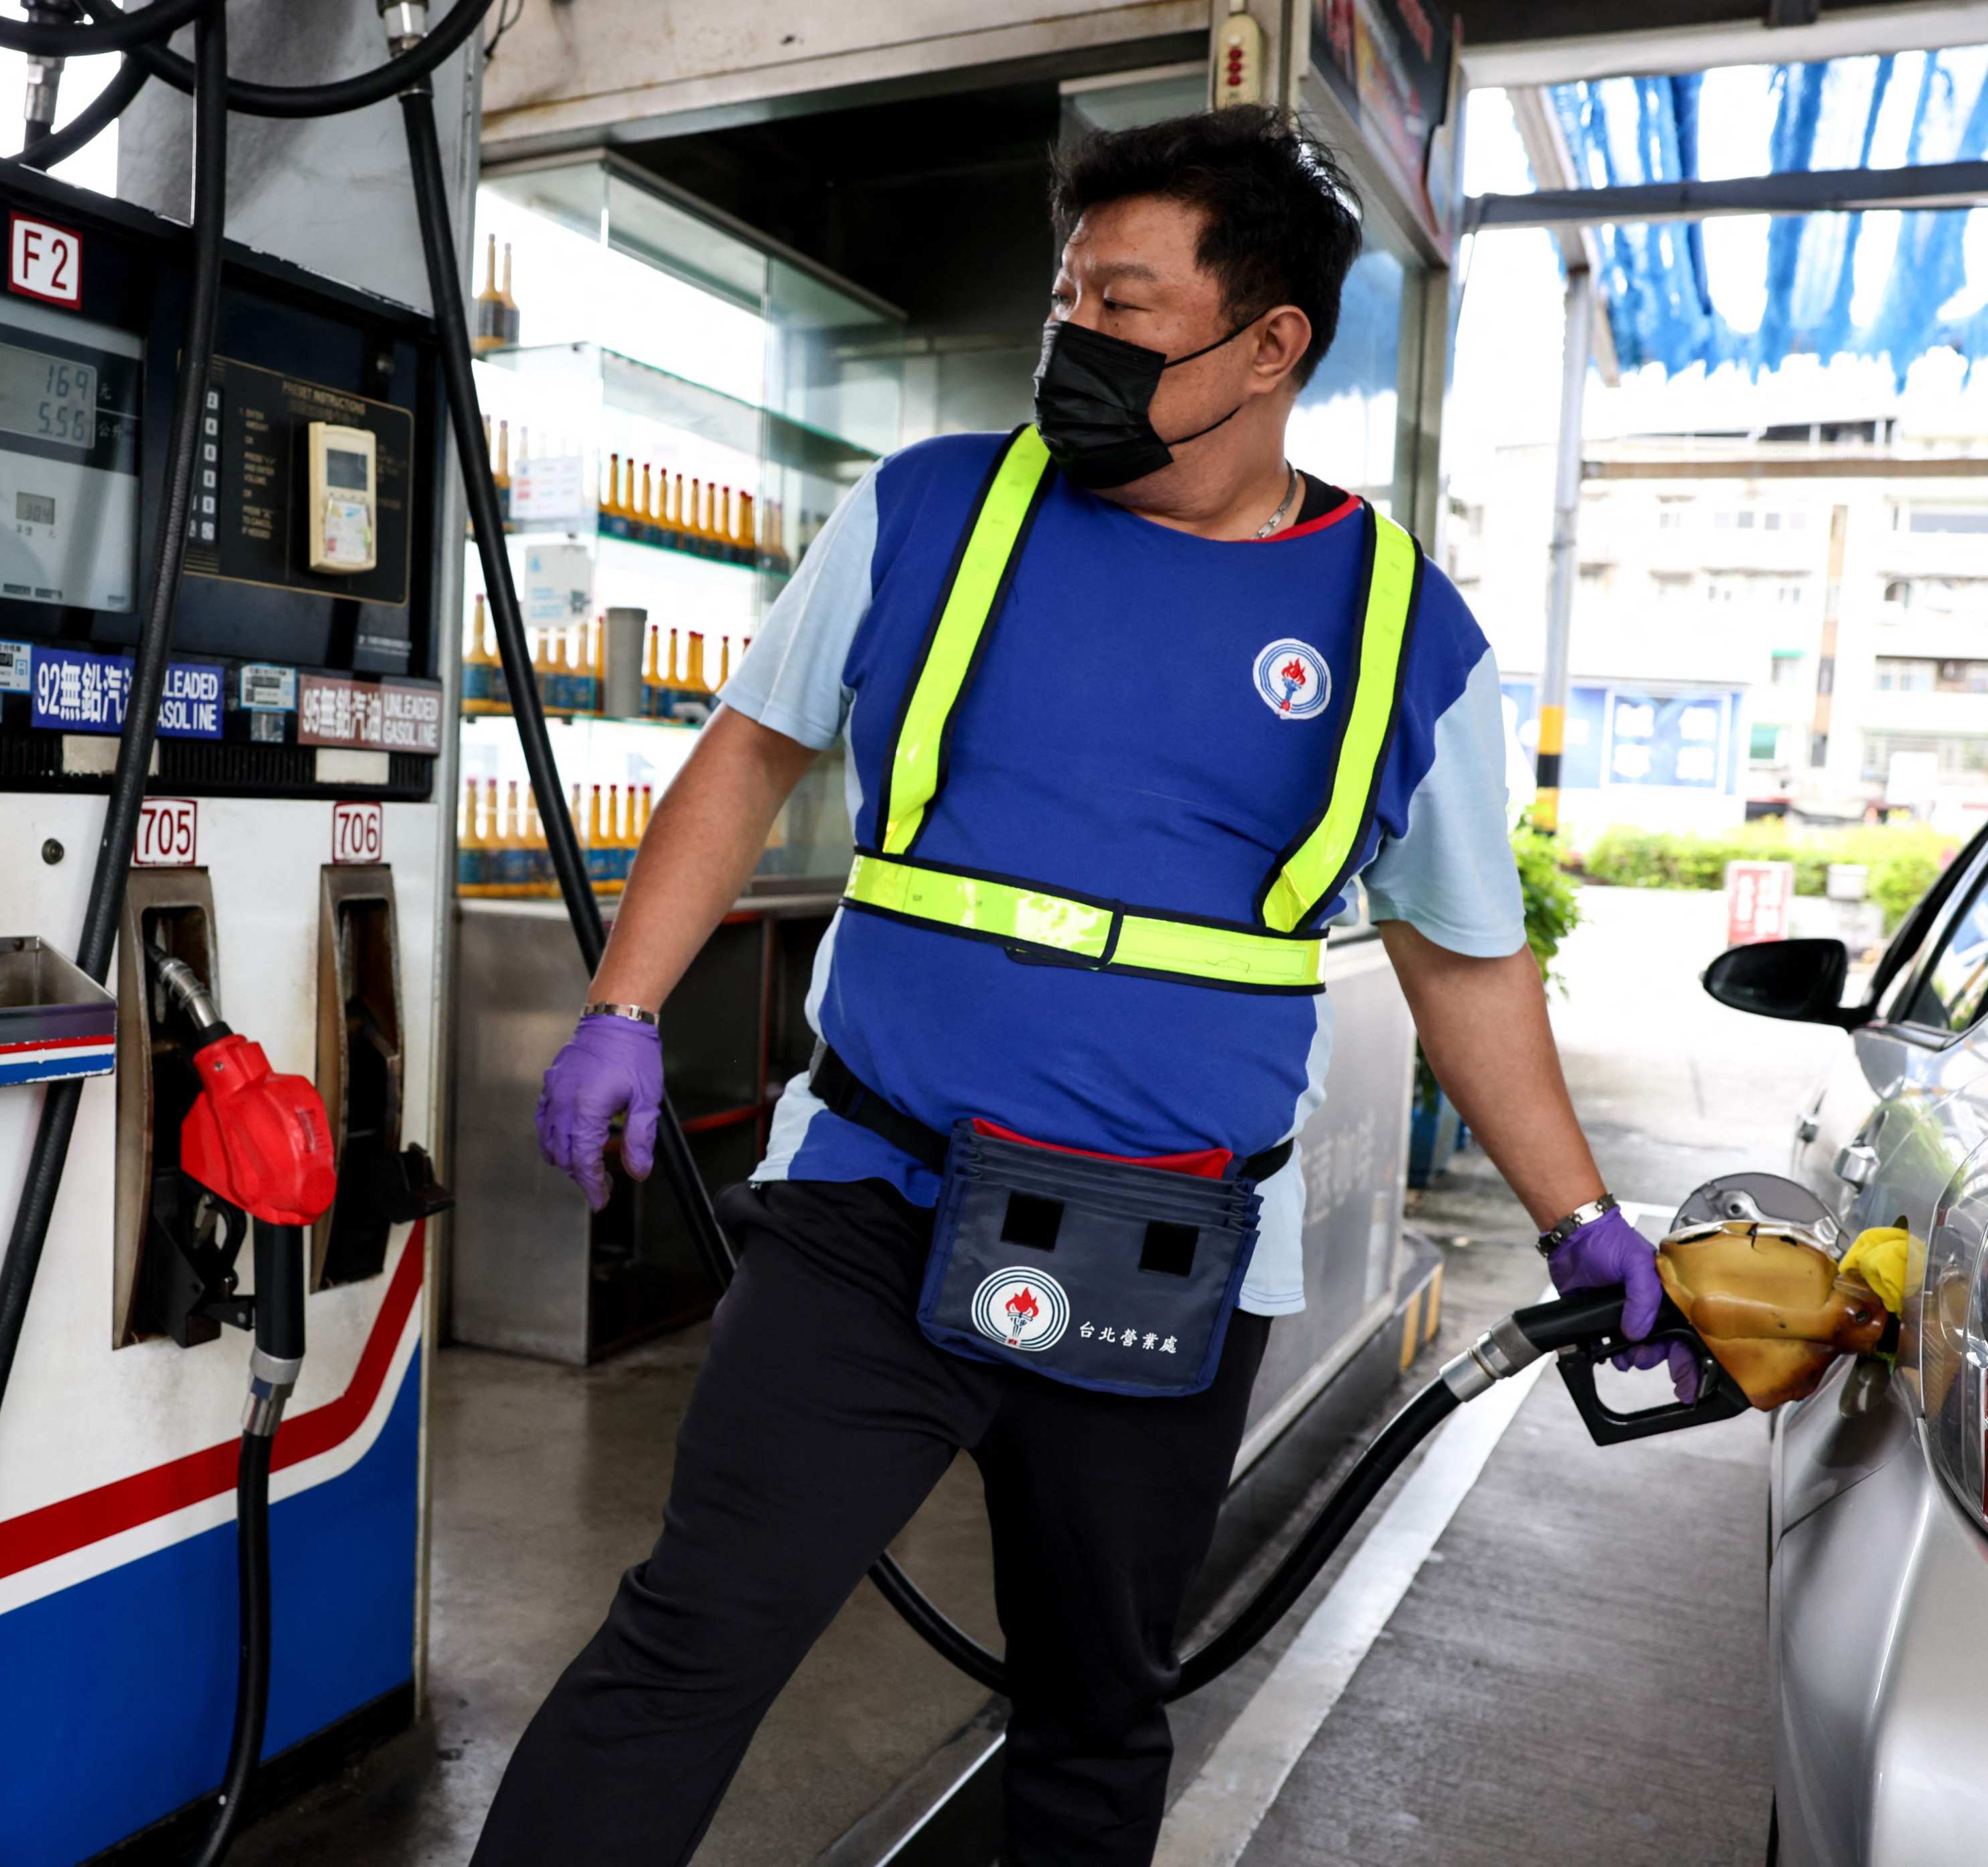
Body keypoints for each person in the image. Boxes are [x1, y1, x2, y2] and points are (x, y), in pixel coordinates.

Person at [473, 107, 1680, 1867]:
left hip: (1172, 1268)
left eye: (1124, 303)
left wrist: (1577, 1216)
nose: (1075, 342)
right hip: (871, 1213)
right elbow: (746, 755)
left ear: (1269, 348)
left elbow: (1463, 955)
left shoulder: (1406, 636)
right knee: (688, 1644)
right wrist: (624, 1008)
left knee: (1097, 1715)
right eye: (1065, 299)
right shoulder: (934, 513)